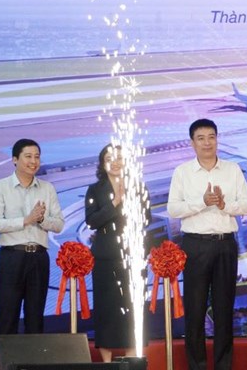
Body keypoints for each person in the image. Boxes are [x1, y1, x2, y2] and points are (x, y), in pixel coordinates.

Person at [167, 119, 247, 370]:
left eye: (211, 137)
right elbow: (174, 209)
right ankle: (197, 365)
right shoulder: (182, 172)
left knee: (224, 310)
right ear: (192, 142)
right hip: (195, 245)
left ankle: (223, 365)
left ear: (217, 139)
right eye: (201, 138)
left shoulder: (232, 169)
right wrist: (203, 201)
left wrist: (227, 206)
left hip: (226, 244)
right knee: (194, 310)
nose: (207, 142)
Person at [85, 144, 152, 362]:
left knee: (132, 307)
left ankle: (131, 359)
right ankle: (106, 361)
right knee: (107, 308)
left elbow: (147, 218)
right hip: (105, 255)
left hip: (132, 255)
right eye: (109, 157)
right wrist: (115, 202)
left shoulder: (138, 186)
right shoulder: (95, 190)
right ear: (102, 162)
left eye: (120, 158)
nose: (115, 162)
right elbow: (92, 220)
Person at [0, 138, 65, 334]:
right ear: (15, 159)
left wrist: (41, 220)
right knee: (8, 317)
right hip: (12, 257)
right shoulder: (0, 187)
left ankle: (33, 363)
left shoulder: (47, 188)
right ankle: (6, 364)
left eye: (37, 157)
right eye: (28, 156)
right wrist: (26, 219)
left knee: (35, 318)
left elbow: (58, 224)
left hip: (39, 258)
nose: (33, 161)